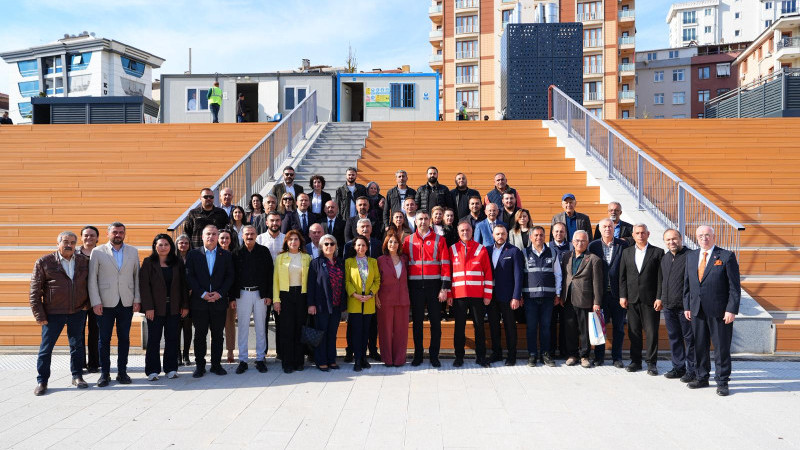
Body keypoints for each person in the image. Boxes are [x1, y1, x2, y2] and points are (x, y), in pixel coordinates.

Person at [30, 231, 90, 395]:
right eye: (65, 242)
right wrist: (39, 315)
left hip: (77, 311)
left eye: (72, 242)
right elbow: (34, 291)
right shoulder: (44, 262)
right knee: (46, 348)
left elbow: (91, 284)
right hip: (53, 313)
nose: (69, 245)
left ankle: (77, 376)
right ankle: (42, 381)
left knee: (77, 346)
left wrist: (87, 304)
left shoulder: (83, 261)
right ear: (58, 244)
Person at [683, 225, 740, 396]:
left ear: (714, 237)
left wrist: (731, 309)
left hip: (720, 312)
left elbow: (734, 287)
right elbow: (687, 284)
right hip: (697, 310)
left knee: (721, 348)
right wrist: (687, 306)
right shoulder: (691, 256)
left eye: (707, 235)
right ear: (696, 238)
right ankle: (702, 377)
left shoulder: (726, 256)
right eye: (700, 235)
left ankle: (722, 382)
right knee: (700, 346)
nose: (704, 238)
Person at [88, 222, 141, 387]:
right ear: (108, 234)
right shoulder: (98, 251)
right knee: (104, 339)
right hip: (104, 303)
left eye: (121, 232)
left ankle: (122, 372)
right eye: (115, 232)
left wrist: (137, 299)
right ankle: (104, 374)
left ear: (124, 234)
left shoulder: (133, 251)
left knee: (124, 338)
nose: (118, 235)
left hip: (126, 302)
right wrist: (95, 301)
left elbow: (137, 277)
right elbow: (92, 278)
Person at [186, 225, 235, 378]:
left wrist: (220, 293)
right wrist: (202, 294)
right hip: (199, 303)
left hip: (219, 302)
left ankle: (216, 365)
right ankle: (200, 366)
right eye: (208, 234)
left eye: (214, 234)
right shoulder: (193, 254)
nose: (211, 237)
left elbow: (230, 276)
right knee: (200, 335)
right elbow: (189, 276)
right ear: (202, 236)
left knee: (218, 335)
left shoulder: (225, 255)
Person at [404, 211, 451, 367]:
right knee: (417, 323)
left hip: (434, 287)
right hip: (415, 288)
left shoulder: (440, 240)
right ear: (415, 221)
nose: (423, 221)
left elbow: (445, 265)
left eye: (425, 219)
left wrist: (444, 288)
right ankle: (418, 355)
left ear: (430, 220)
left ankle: (434, 355)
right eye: (420, 219)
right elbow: (404, 265)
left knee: (435, 323)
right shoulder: (408, 240)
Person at [140, 234, 189, 381]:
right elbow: (144, 286)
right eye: (160, 245)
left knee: (172, 338)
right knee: (154, 339)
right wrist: (148, 307)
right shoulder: (148, 262)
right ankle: (152, 370)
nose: (163, 247)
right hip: (154, 309)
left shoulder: (177, 262)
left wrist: (185, 305)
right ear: (155, 246)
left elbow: (183, 285)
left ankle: (171, 368)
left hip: (174, 307)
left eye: (166, 244)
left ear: (171, 246)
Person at [619, 224, 663, 375]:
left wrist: (659, 297)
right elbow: (622, 276)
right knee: (634, 332)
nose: (640, 235)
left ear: (648, 234)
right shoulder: (626, 252)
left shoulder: (657, 252)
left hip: (651, 300)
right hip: (632, 299)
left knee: (651, 332)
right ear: (633, 235)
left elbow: (661, 278)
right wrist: (623, 295)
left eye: (643, 233)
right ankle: (635, 361)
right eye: (637, 233)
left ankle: (651, 363)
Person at [448, 222, 493, 367]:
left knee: (479, 327)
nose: (465, 232)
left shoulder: (481, 249)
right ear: (458, 232)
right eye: (462, 230)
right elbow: (448, 274)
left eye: (467, 230)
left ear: (472, 231)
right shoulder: (452, 249)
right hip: (459, 295)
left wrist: (487, 294)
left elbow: (488, 273)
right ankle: (459, 357)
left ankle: (481, 357)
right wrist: (449, 294)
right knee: (459, 327)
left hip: (477, 295)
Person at [232, 225, 273, 374]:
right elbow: (232, 277)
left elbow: (270, 274)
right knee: (243, 328)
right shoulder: (236, 253)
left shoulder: (264, 251)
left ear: (256, 235)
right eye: (247, 234)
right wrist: (233, 297)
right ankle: (243, 360)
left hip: (260, 294)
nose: (249, 236)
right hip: (242, 294)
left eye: (252, 234)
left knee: (261, 327)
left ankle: (260, 359)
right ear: (242, 236)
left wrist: (269, 295)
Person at [587, 218, 628, 368]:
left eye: (610, 226)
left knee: (619, 328)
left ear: (614, 228)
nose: (607, 229)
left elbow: (626, 271)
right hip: (600, 295)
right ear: (599, 229)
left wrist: (624, 294)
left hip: (618, 295)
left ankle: (617, 358)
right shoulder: (593, 246)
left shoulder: (623, 245)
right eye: (604, 226)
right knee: (599, 327)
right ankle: (599, 357)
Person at [559, 230, 603, 368]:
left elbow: (597, 283)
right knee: (570, 329)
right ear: (572, 242)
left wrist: (597, 302)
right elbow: (564, 277)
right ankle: (572, 355)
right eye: (577, 240)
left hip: (585, 299)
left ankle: (584, 356)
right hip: (568, 299)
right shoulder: (566, 256)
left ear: (587, 242)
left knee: (584, 330)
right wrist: (561, 296)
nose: (580, 243)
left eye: (583, 240)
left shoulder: (594, 259)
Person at [658, 228, 695, 383]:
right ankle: (678, 368)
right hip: (669, 306)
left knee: (690, 340)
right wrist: (660, 299)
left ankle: (692, 370)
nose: (671, 242)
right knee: (674, 338)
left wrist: (690, 305)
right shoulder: (665, 258)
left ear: (681, 239)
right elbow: (662, 281)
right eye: (668, 240)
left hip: (685, 308)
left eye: (674, 239)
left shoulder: (691, 256)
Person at [522, 226, 562, 367]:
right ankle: (532, 354)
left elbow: (558, 274)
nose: (539, 237)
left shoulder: (553, 252)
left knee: (546, 327)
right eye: (536, 235)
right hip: (530, 298)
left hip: (548, 298)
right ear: (531, 237)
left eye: (541, 235)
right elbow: (520, 275)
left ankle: (545, 354)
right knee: (531, 327)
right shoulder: (524, 253)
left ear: (545, 237)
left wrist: (558, 293)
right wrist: (520, 295)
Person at [272, 230, 311, 373]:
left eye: (296, 239)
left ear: (300, 242)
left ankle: (299, 361)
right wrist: (276, 300)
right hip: (285, 295)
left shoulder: (307, 257)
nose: (293, 242)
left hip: (302, 295)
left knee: (300, 329)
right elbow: (275, 280)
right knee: (287, 330)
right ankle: (287, 362)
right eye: (290, 239)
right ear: (286, 242)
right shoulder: (280, 258)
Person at [307, 234, 346, 371]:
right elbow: (311, 285)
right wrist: (311, 304)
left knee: (332, 333)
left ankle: (331, 360)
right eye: (326, 244)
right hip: (321, 305)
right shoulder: (315, 263)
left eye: (332, 244)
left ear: (336, 246)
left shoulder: (340, 262)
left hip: (336, 304)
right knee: (321, 334)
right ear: (321, 247)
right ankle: (321, 361)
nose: (329, 246)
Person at [486, 225, 524, 366]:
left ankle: (512, 355)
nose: (500, 236)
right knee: (494, 325)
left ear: (507, 235)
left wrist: (516, 296)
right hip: (491, 295)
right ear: (493, 235)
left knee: (510, 326)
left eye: (503, 234)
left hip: (508, 296)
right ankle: (497, 353)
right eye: (497, 234)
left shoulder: (514, 251)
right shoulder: (487, 250)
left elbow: (518, 276)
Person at [345, 235, 381, 372]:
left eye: (364, 245)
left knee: (366, 332)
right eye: (358, 245)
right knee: (356, 332)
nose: (361, 247)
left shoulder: (373, 261)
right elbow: (347, 281)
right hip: (355, 301)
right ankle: (357, 359)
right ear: (354, 247)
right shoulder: (349, 262)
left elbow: (377, 280)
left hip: (369, 301)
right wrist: (354, 294)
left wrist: (371, 294)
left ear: (367, 247)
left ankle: (364, 358)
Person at [376, 232, 410, 367]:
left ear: (399, 245)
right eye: (390, 242)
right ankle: (388, 359)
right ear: (386, 244)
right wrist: (376, 297)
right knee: (386, 330)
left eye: (395, 242)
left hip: (403, 299)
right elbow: (376, 280)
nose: (393, 244)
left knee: (401, 331)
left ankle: (399, 359)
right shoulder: (380, 260)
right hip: (385, 299)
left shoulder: (404, 259)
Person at [256, 211, 284, 358]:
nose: (274, 223)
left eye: (277, 220)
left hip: (282, 285)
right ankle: (263, 352)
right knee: (263, 321)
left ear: (281, 222)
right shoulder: (259, 239)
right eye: (272, 220)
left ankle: (281, 352)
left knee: (282, 321)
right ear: (266, 222)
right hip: (264, 285)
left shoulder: (286, 239)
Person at [76, 225, 99, 373]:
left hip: (97, 298)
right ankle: (79, 363)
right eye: (86, 235)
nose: (89, 238)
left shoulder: (102, 253)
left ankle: (94, 363)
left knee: (95, 332)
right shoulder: (74, 254)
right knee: (78, 332)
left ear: (97, 238)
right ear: (81, 237)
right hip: (79, 299)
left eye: (92, 235)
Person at [549, 221, 572, 359]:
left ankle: (564, 351)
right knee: (550, 323)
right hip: (551, 292)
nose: (559, 234)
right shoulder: (547, 247)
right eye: (556, 231)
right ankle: (551, 351)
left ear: (565, 233)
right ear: (552, 233)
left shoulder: (572, 247)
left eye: (561, 231)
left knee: (566, 323)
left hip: (567, 292)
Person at [218, 229, 238, 363]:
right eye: (222, 238)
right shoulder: (213, 254)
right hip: (216, 295)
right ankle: (217, 351)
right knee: (216, 326)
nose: (224, 240)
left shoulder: (234, 255)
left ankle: (230, 351)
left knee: (230, 324)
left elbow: (235, 278)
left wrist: (233, 297)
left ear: (231, 240)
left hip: (230, 295)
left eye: (227, 238)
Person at [175, 234, 194, 366]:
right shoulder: (172, 259)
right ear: (176, 245)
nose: (183, 245)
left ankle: (186, 355)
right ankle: (178, 356)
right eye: (181, 243)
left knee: (187, 329)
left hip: (191, 297)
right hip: (176, 297)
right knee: (176, 329)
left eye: (186, 243)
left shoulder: (194, 258)